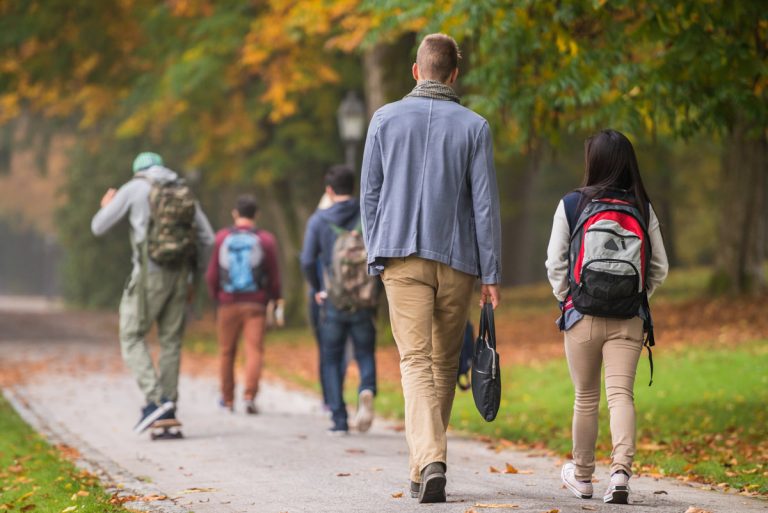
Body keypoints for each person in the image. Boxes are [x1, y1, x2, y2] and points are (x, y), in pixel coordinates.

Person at [360, 33, 502, 503]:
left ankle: (430, 459)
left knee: (415, 361)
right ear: (454, 74)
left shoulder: (384, 120)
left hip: (400, 256)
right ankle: (425, 463)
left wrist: (374, 252)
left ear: (416, 70)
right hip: (458, 258)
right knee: (442, 363)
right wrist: (491, 273)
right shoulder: (475, 126)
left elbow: (370, 196)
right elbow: (484, 206)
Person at [545, 129, 668, 504]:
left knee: (585, 397)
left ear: (592, 162)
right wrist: (636, 298)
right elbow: (659, 267)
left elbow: (555, 263)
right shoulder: (643, 208)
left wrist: (570, 300)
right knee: (620, 396)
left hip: (580, 315)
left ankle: (582, 478)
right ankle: (620, 475)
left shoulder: (571, 204)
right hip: (628, 318)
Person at [91, 151, 214, 433]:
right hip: (182, 275)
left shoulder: (133, 188)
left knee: (131, 335)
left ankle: (157, 401)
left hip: (149, 275)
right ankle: (167, 413)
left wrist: (107, 205)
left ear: (138, 171)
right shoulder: (181, 190)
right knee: (171, 341)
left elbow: (98, 226)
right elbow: (207, 238)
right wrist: (194, 275)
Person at [300, 165, 378, 435]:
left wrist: (318, 287)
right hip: (364, 298)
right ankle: (366, 388)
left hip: (332, 299)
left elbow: (308, 259)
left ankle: (339, 418)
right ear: (352, 187)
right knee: (365, 351)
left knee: (331, 357)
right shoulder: (366, 214)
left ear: (329, 190)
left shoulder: (319, 220)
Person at [205, 195, 282, 414]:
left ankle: (227, 400)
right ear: (256, 215)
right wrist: (275, 298)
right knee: (254, 351)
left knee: (226, 352)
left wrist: (217, 297)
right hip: (255, 304)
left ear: (235, 214)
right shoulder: (266, 240)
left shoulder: (221, 238)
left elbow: (211, 274)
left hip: (227, 303)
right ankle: (249, 396)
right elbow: (274, 275)